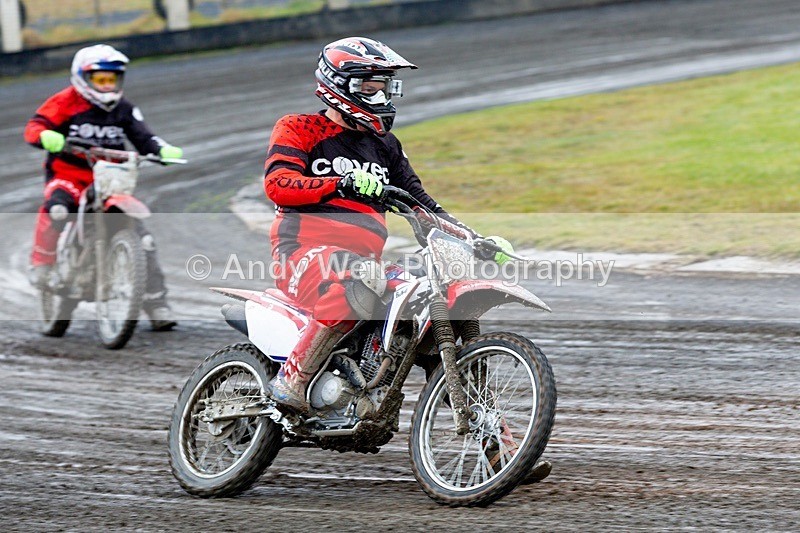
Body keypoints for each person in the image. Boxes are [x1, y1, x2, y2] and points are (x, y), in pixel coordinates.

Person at [263, 36, 514, 413]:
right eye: (369, 85)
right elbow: (277, 185)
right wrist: (339, 183)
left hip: (365, 262)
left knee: (426, 297)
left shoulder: (386, 146)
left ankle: (495, 444)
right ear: (338, 84)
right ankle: (292, 379)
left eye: (384, 86)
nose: (379, 95)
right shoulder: (299, 128)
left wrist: (476, 240)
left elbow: (422, 204)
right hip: (301, 253)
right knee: (355, 278)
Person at [24, 44, 183, 331]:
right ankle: (43, 265)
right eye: (100, 79)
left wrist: (163, 150)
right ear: (83, 78)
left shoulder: (124, 109)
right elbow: (34, 126)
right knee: (58, 209)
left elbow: (144, 137)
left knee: (141, 237)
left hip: (111, 180)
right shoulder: (64, 102)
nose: (108, 85)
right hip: (69, 176)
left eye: (112, 79)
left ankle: (156, 303)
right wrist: (47, 137)